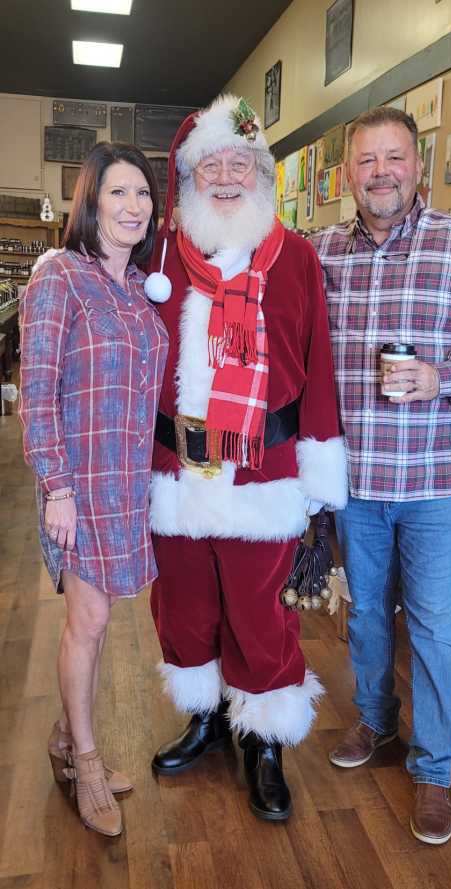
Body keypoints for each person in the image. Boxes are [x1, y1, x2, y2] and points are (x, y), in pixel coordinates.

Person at [146, 94, 347, 821]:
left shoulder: (295, 258)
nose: (226, 176)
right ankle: (205, 717)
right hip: (176, 472)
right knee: (185, 607)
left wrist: (322, 487)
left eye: (241, 163)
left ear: (260, 176)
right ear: (190, 176)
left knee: (264, 617)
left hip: (265, 474)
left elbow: (318, 367)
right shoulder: (161, 256)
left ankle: (264, 741)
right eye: (212, 165)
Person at [311, 106, 451, 845]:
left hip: (436, 480)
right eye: (366, 161)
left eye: (394, 157)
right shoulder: (323, 250)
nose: (381, 172)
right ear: (348, 174)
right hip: (357, 481)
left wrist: (444, 376)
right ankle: (377, 721)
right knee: (363, 614)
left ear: (417, 166)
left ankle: (435, 767)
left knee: (434, 625)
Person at [19, 142, 169, 837]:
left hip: (125, 485)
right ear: (91, 201)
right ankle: (83, 758)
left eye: (143, 194)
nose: (133, 206)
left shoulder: (138, 288)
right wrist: (55, 486)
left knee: (100, 622)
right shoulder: (61, 277)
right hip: (77, 487)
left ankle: (64, 736)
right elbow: (37, 392)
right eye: (118, 193)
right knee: (89, 623)